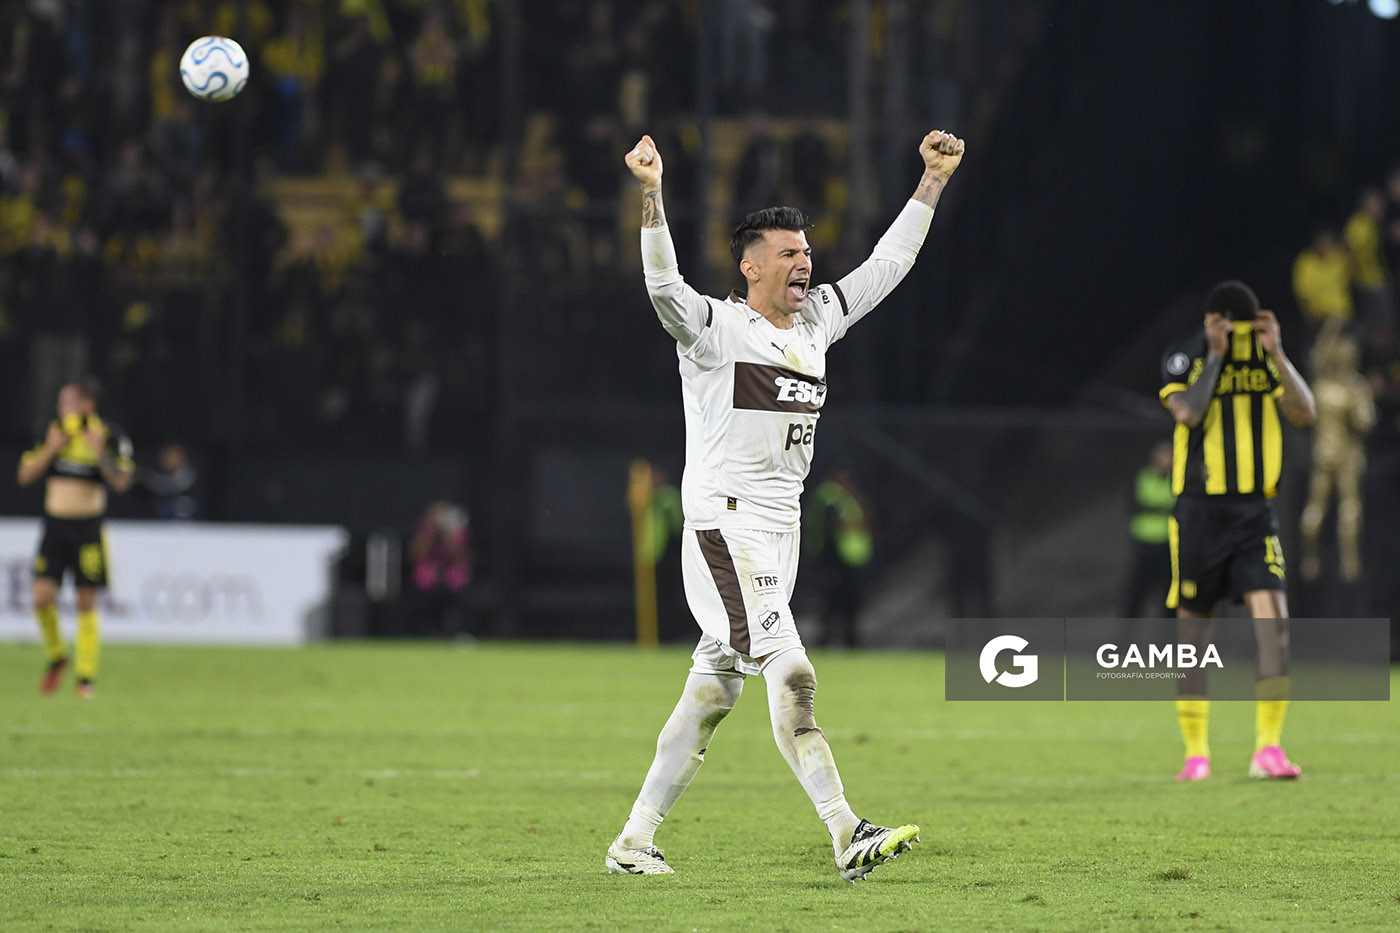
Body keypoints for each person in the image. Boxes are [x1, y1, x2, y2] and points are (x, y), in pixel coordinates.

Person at [607, 127, 964, 880]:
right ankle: (845, 830)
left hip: (778, 531)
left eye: (807, 251)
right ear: (751, 265)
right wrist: (652, 193)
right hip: (723, 526)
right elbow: (663, 288)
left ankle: (634, 840)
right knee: (792, 670)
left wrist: (931, 180)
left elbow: (888, 266)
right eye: (789, 252)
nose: (806, 261)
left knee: (711, 690)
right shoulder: (714, 330)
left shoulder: (818, 322)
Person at [1158, 282, 1317, 782]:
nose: (1233, 330)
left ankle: (1267, 748)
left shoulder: (1263, 357)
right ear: (1210, 320)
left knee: (1275, 626)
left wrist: (1281, 354)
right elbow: (1189, 411)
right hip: (1199, 515)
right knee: (1192, 636)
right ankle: (1196, 754)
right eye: (1224, 321)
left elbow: (1304, 413)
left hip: (1254, 514)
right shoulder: (1185, 357)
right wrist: (1216, 354)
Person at [16, 379, 134, 697]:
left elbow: (122, 482)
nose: (61, 408)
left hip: (88, 529)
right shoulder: (51, 431)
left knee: (86, 602)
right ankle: (57, 656)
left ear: (86, 404)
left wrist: (99, 454)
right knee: (41, 597)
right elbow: (25, 476)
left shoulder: (109, 436)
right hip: (54, 528)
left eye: (66, 402)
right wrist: (52, 449)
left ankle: (85, 678)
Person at [1299, 321, 1376, 583]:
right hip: (1347, 455)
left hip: (1323, 453)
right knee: (1349, 507)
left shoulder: (1319, 388)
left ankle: (1310, 559)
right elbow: (1365, 422)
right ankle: (1349, 563)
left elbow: (1315, 357)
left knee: (1315, 506)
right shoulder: (1353, 389)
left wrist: (1328, 328)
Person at [807, 465, 873, 648]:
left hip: (851, 558)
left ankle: (848, 640)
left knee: (848, 602)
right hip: (834, 558)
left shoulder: (849, 498)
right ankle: (828, 640)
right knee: (831, 602)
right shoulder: (830, 498)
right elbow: (834, 527)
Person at [1118, 441, 1176, 619]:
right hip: (1144, 544)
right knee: (1136, 593)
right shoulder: (1143, 477)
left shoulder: (1177, 479)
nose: (1166, 460)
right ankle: (1126, 636)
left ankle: (1166, 640)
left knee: (1168, 596)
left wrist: (1155, 508)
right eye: (1163, 455)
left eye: (1169, 456)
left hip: (1168, 545)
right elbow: (1134, 505)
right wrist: (1161, 508)